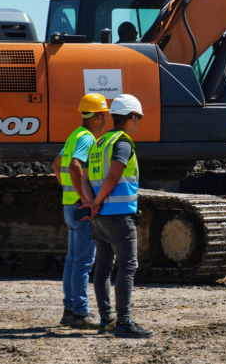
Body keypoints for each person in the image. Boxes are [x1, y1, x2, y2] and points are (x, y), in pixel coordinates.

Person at [82, 94, 154, 338]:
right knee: (127, 266)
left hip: (99, 217)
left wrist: (91, 203)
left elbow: (83, 176)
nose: (138, 123)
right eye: (139, 119)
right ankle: (123, 322)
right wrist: (98, 201)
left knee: (102, 267)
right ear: (132, 118)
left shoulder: (98, 142)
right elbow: (113, 177)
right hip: (118, 215)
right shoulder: (122, 142)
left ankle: (106, 320)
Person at [51, 93, 108, 330]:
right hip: (79, 206)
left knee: (73, 260)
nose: (105, 119)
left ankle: (69, 310)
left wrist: (70, 192)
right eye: (104, 114)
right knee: (84, 262)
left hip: (69, 204)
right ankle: (81, 313)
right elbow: (75, 165)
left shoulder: (74, 135)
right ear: (97, 116)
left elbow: (56, 165)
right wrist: (86, 199)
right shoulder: (86, 138)